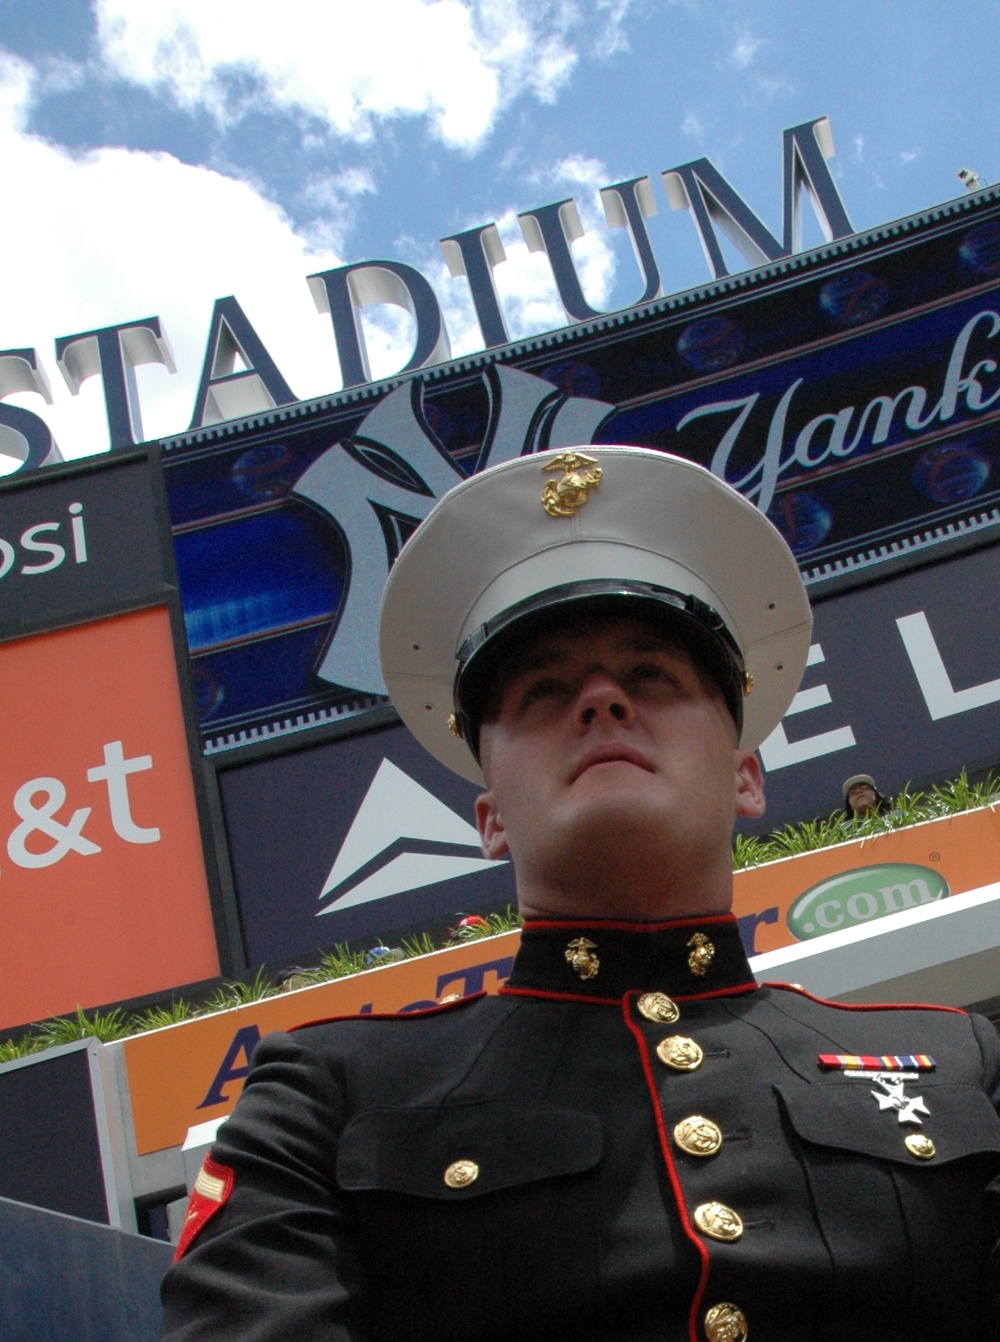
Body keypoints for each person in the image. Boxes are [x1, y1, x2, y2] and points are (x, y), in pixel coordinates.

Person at [160, 447, 1000, 1342]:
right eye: (545, 691)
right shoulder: (328, 1095)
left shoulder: (959, 1061)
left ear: (747, 776)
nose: (601, 700)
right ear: (488, 818)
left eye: (652, 677)